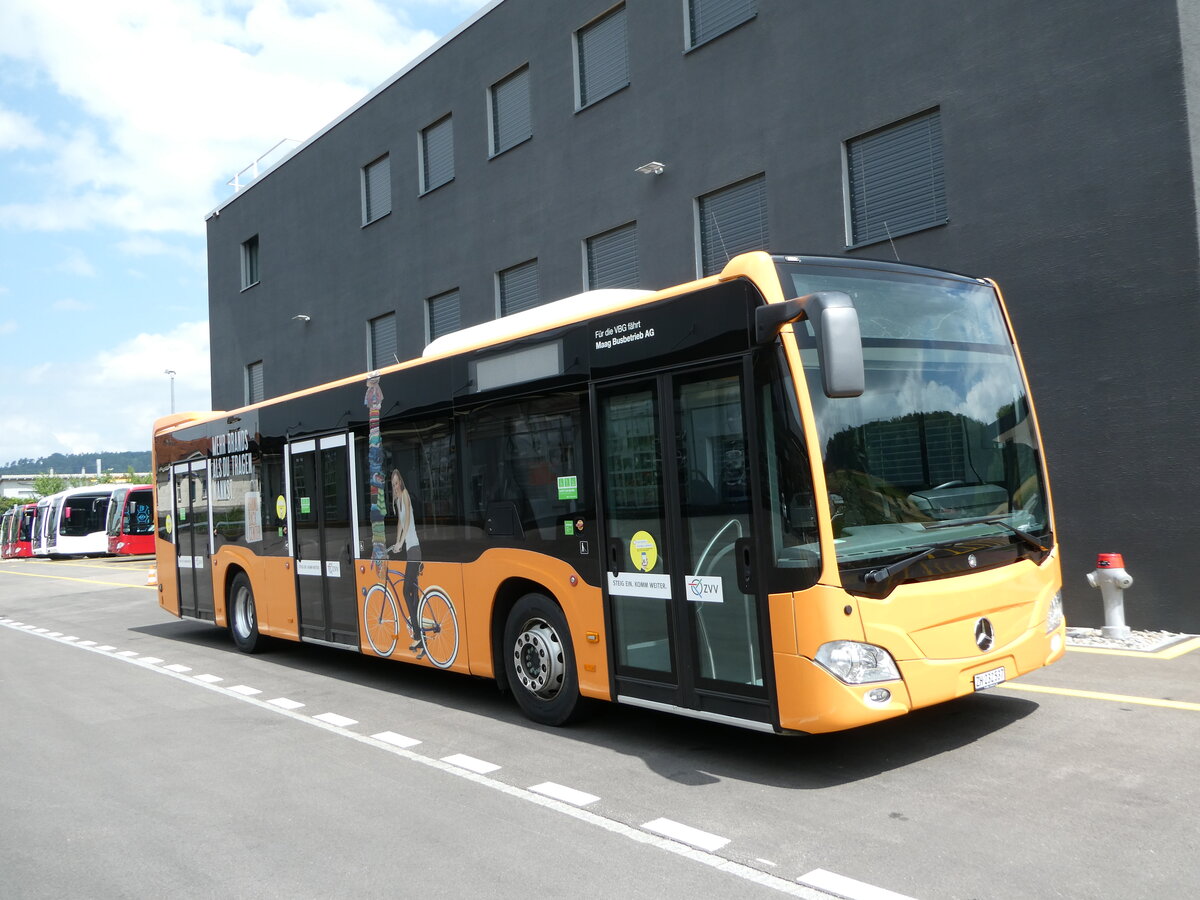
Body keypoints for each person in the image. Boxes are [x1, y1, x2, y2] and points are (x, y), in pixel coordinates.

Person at [389, 469, 423, 653]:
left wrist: (402, 542)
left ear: (401, 482)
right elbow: (400, 524)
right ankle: (419, 633)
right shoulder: (397, 500)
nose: (396, 486)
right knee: (413, 593)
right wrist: (396, 542)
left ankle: (416, 634)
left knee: (405, 590)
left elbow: (408, 520)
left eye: (397, 482)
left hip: (414, 549)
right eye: (393, 484)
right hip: (410, 550)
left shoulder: (405, 494)